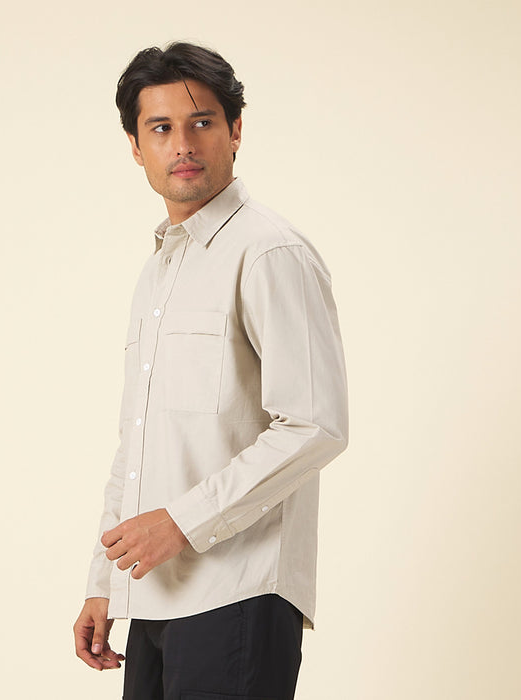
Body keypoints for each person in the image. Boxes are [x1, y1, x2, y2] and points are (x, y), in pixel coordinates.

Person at [73, 41, 349, 700]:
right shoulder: (159, 272)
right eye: (160, 128)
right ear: (136, 147)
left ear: (236, 130)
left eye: (202, 122)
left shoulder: (270, 252)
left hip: (239, 593)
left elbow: (315, 425)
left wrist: (183, 521)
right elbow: (138, 442)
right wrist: (104, 581)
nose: (183, 144)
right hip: (152, 598)